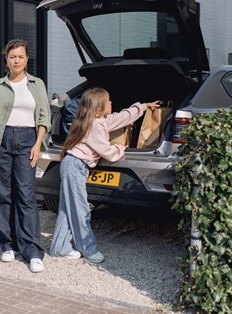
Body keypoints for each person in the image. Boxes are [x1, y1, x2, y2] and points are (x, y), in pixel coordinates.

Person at [50, 87, 161, 263]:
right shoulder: (95, 126)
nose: (111, 103)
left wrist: (143, 107)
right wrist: (120, 148)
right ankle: (89, 250)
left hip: (73, 165)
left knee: (68, 208)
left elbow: (121, 117)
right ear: (99, 107)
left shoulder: (98, 120)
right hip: (75, 167)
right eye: (108, 101)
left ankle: (59, 248)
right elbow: (107, 152)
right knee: (81, 210)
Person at [0, 39, 51, 273]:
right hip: (1, 140)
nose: (16, 60)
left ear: (26, 59)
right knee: (1, 194)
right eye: (12, 57)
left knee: (26, 195)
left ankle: (32, 250)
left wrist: (38, 143)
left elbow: (43, 115)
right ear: (6, 59)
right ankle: (8, 245)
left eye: (20, 56)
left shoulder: (36, 84)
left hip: (27, 141)